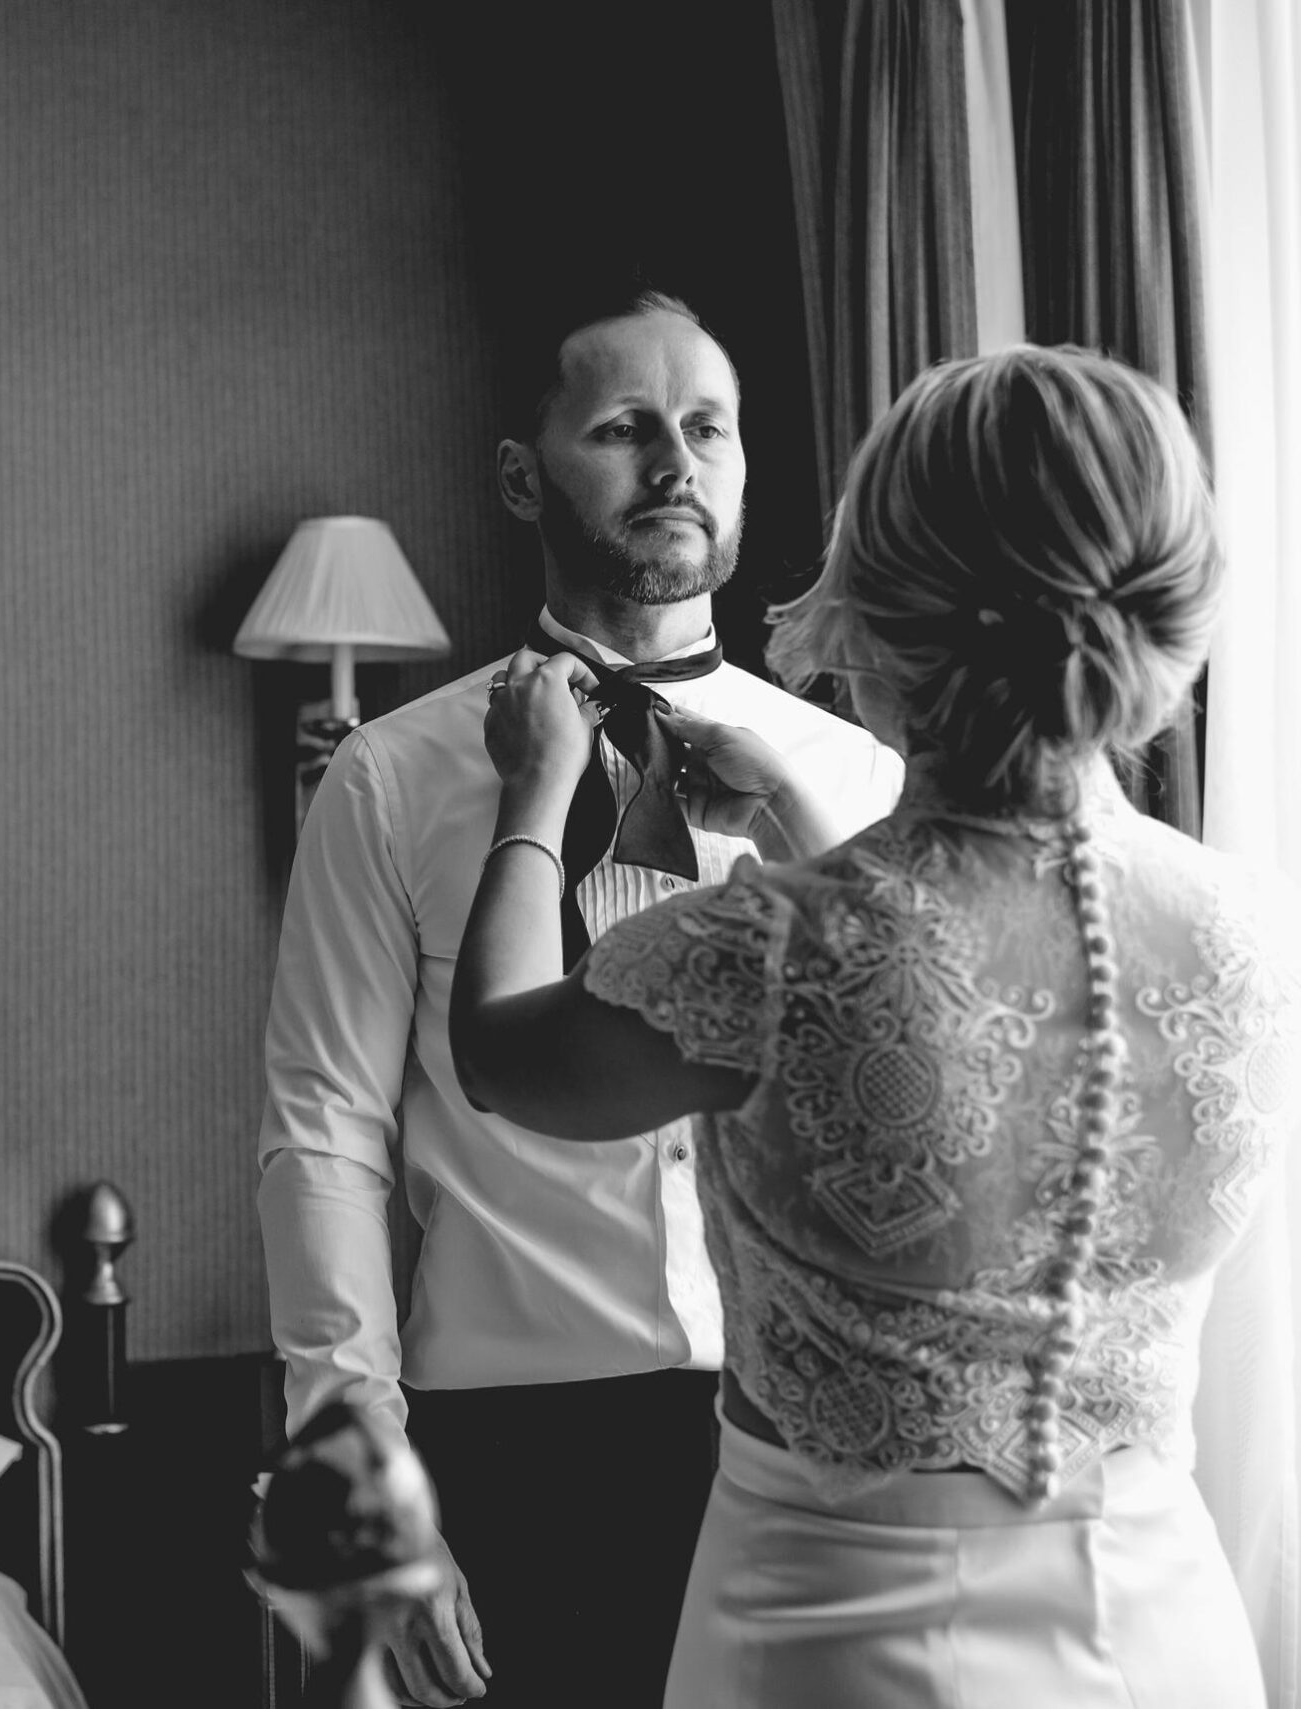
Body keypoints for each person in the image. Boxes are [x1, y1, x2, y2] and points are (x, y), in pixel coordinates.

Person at [449, 344, 1301, 1705]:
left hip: (838, 1638)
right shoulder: (1262, 941)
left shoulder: (777, 949)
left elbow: (504, 1049)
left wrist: (533, 791)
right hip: (1157, 1628)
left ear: (883, 598)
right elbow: (977, 1000)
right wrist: (804, 815)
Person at [255, 289, 903, 1708]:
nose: (676, 462)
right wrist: (363, 1478)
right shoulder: (387, 778)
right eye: (623, 428)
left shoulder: (852, 784)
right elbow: (321, 1135)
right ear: (519, 475)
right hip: (505, 1461)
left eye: (708, 427)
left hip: (803, 1453)